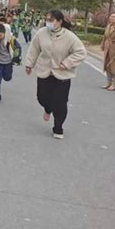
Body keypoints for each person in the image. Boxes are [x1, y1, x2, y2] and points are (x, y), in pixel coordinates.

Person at [25, 10, 87, 139]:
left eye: (51, 20)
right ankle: (48, 108)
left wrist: (67, 63)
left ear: (59, 21)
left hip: (62, 74)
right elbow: (34, 49)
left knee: (60, 102)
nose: (48, 22)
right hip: (44, 71)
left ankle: (58, 127)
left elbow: (81, 52)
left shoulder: (70, 37)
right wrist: (29, 64)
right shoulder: (41, 33)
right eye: (47, 19)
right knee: (42, 98)